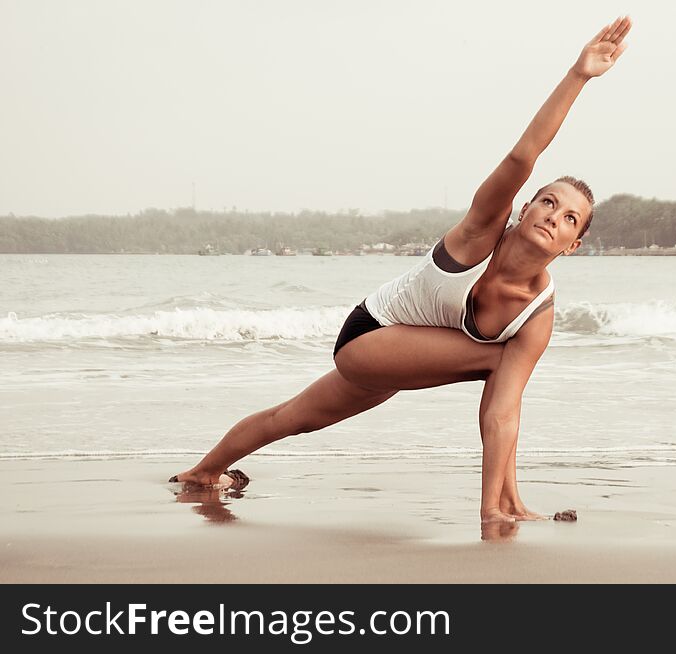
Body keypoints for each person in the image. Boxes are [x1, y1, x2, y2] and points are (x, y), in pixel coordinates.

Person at [170, 16, 633, 524]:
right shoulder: (481, 231)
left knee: (292, 419)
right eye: (548, 201)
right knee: (500, 362)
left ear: (574, 244)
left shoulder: (538, 315)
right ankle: (500, 506)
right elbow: (524, 155)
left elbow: (503, 413)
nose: (554, 216)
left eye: (570, 218)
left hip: (402, 359)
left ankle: (202, 472)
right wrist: (578, 75)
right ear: (525, 208)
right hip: (369, 335)